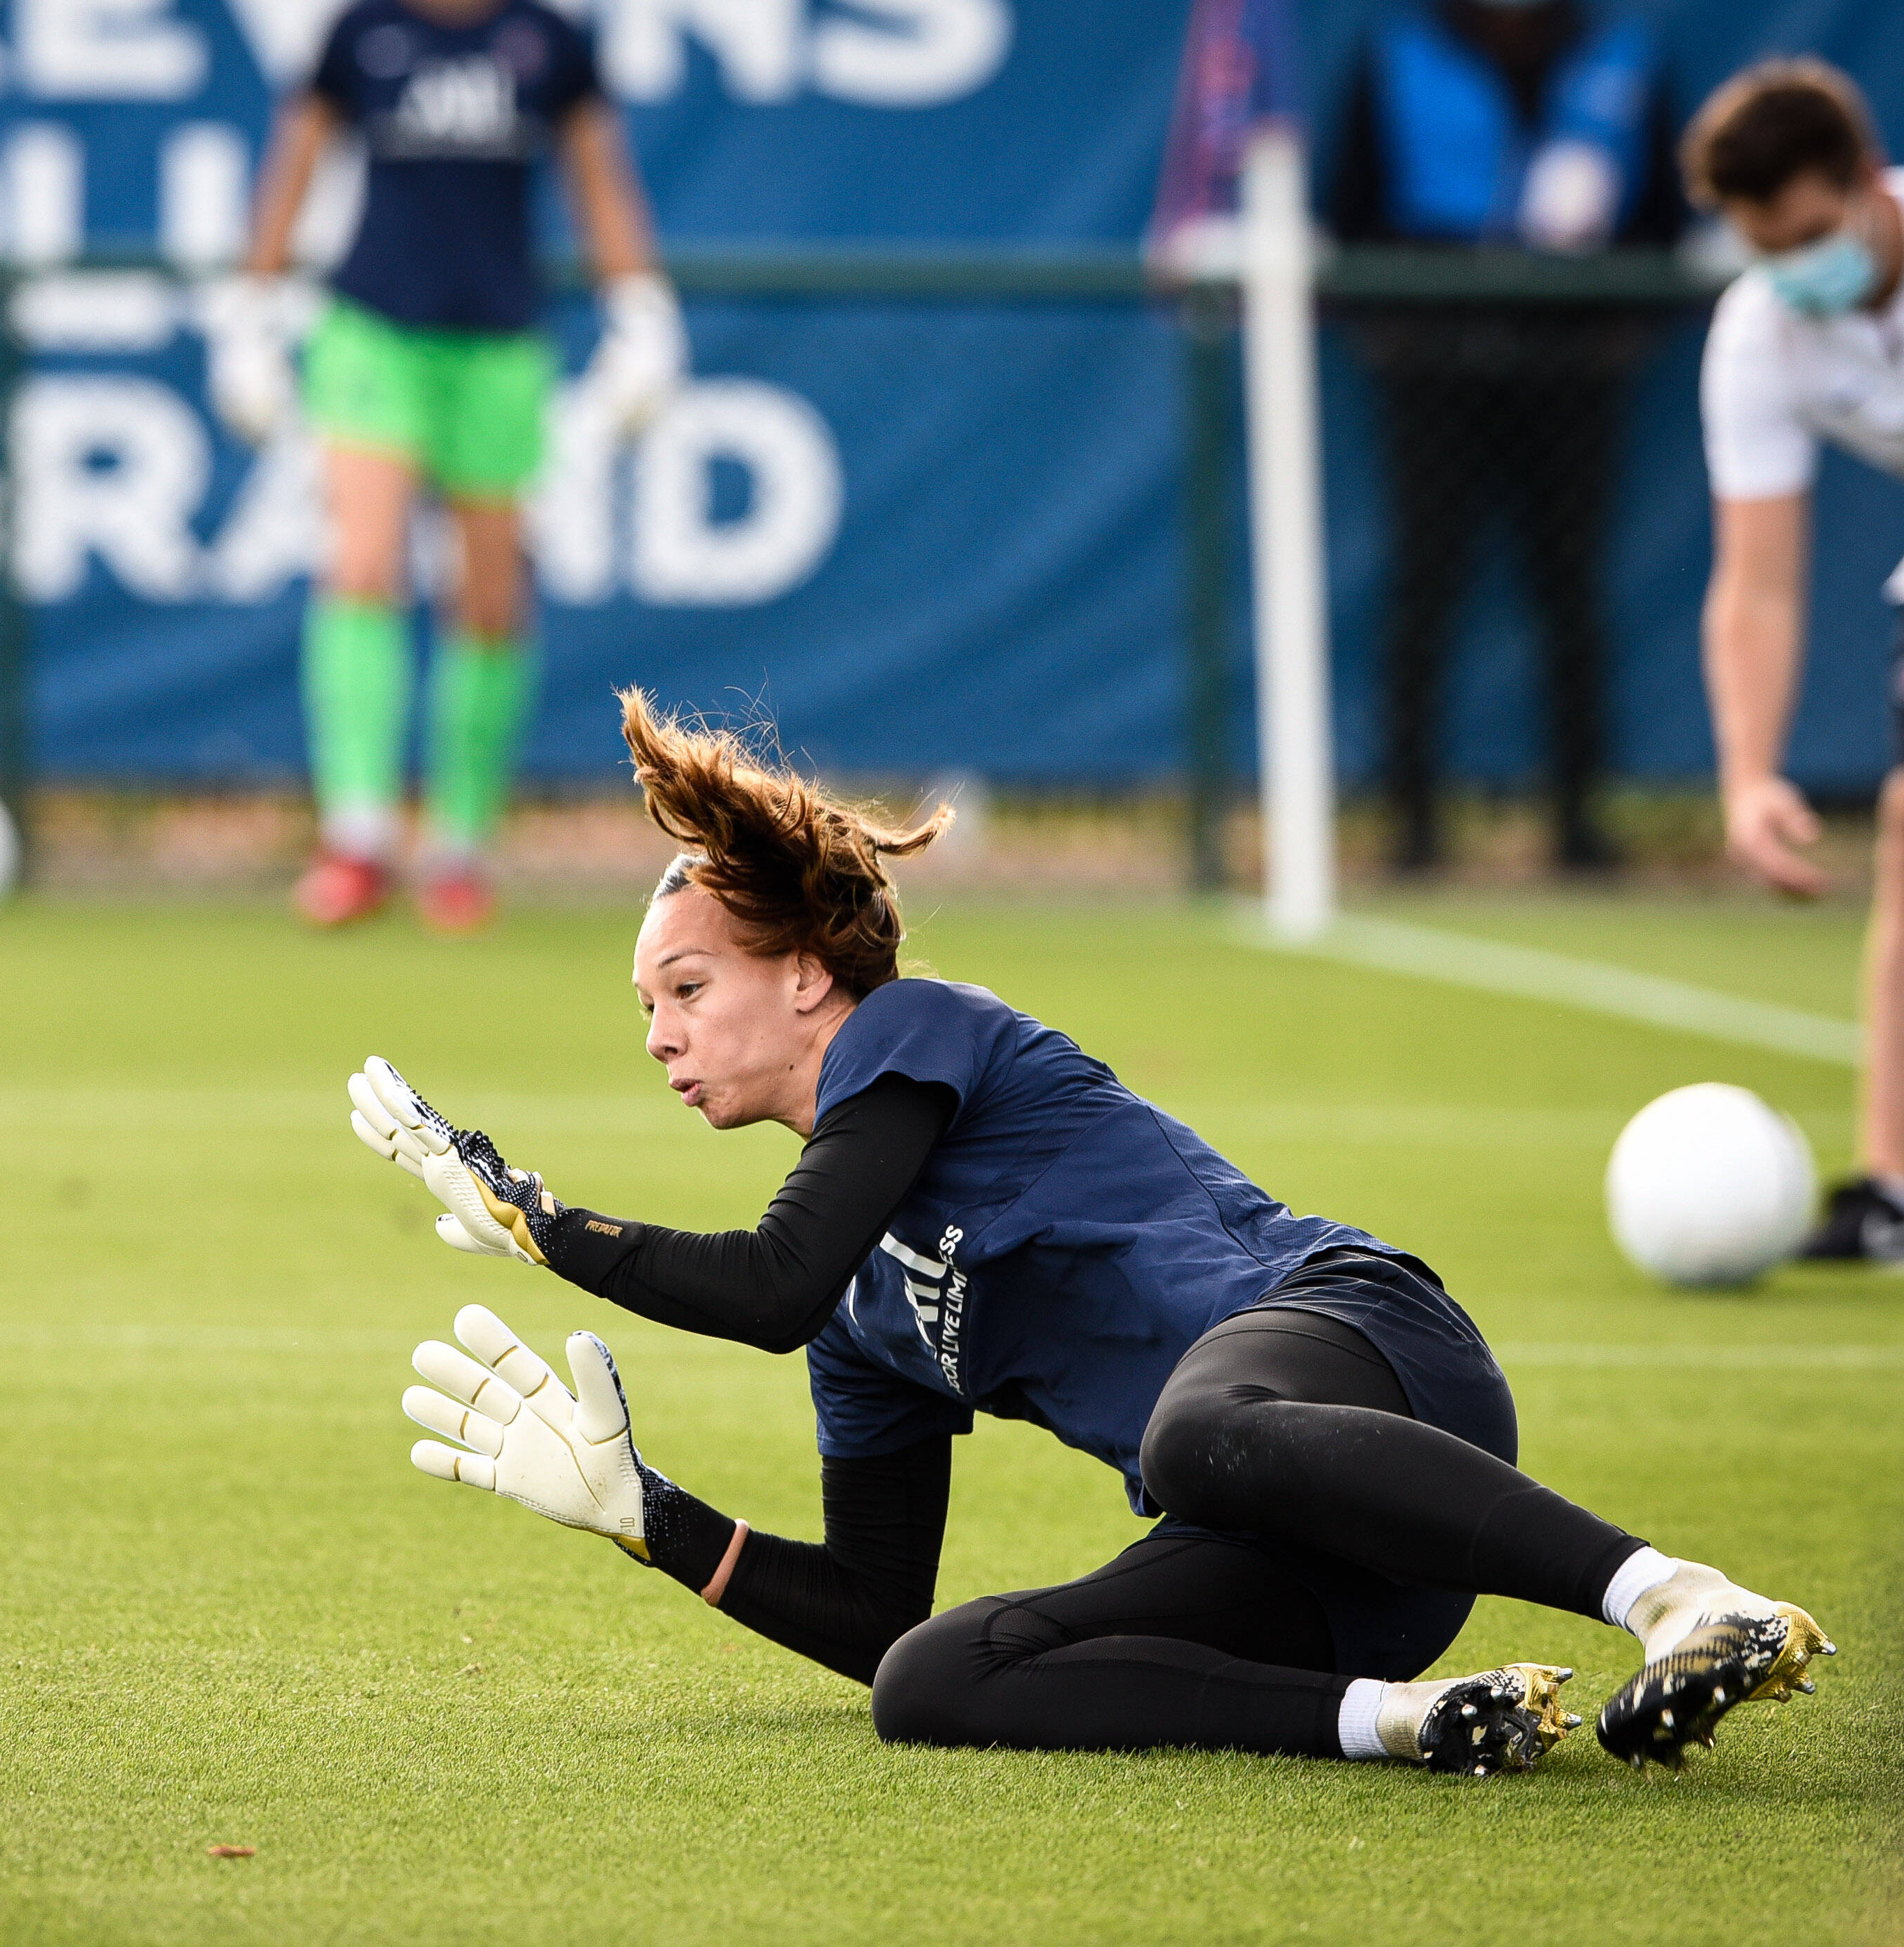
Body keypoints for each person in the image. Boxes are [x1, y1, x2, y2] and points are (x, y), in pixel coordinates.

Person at [346, 691, 1836, 1772]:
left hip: (1370, 1353)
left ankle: (1679, 1598)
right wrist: (652, 1522)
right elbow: (875, 1608)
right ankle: (1413, 1721)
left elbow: (766, 1283)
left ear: (806, 978)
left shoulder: (915, 1030)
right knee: (931, 1682)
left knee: (1194, 1430)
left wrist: (543, 1223)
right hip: (1319, 1565)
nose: (659, 1037)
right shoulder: (865, 1317)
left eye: (685, 988)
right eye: (645, 1008)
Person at [204, 0, 683, 932]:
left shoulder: (546, 40)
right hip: (372, 331)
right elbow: (292, 169)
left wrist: (643, 315)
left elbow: (601, 183)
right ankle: (357, 833)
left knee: (493, 595)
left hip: (500, 345)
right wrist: (248, 316)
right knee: (362, 564)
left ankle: (459, 842)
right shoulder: (363, 33)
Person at [1327, 0, 1686, 874]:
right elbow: (1347, 213)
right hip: (1437, 365)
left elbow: (1669, 221)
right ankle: (1411, 823)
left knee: (1570, 592)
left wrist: (1617, 330)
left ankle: (1578, 822)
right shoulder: (1402, 57)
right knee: (1425, 587)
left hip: (1570, 367)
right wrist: (1398, 331)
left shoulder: (1618, 59)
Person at [1685, 60, 1904, 1262]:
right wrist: (1751, 772)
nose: (1796, 268)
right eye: (1768, 246)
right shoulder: (1763, 332)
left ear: (1869, 181)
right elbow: (1758, 580)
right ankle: (1895, 1190)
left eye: (1816, 234)